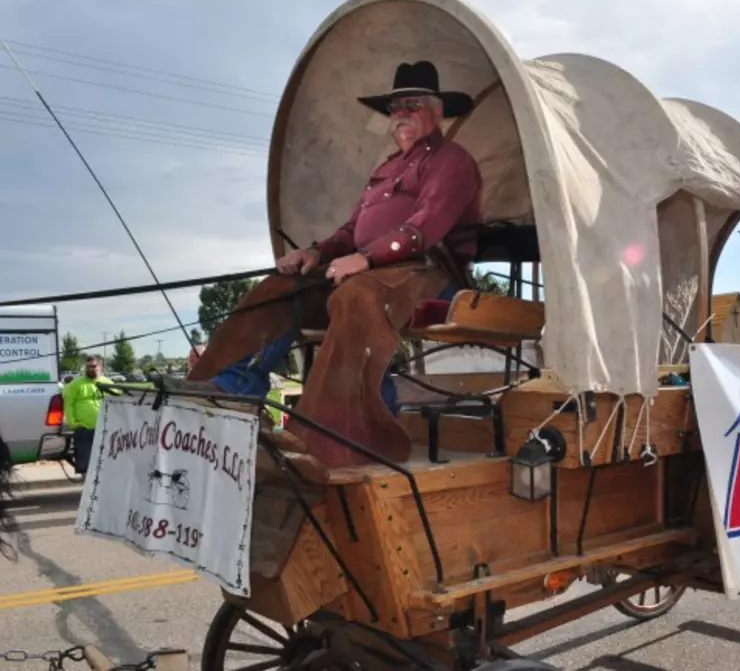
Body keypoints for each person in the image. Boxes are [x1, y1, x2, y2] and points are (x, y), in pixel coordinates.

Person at [181, 60, 482, 470]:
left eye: (412, 104)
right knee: (282, 286)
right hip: (376, 272)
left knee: (357, 294)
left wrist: (365, 258)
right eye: (394, 108)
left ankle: (337, 434)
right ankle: (231, 389)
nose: (401, 114)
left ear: (438, 111)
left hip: (430, 274)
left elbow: (423, 229)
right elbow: (352, 229)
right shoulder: (387, 169)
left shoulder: (453, 161)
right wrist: (317, 254)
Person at [62, 355, 115, 475]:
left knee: (104, 462)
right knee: (85, 463)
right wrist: (74, 423)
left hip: (105, 430)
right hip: (84, 430)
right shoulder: (75, 384)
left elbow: (120, 401)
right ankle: (86, 487)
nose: (91, 369)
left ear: (101, 367)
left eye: (94, 366)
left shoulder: (108, 384)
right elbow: (68, 405)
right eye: (88, 366)